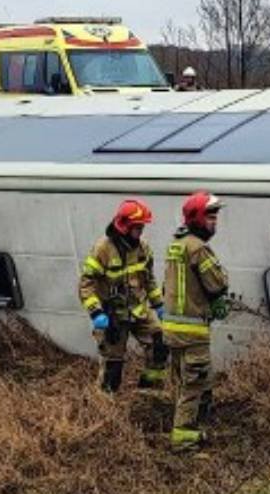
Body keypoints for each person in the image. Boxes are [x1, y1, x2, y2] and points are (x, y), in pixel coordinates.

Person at [163, 190, 230, 451]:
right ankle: (183, 436)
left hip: (172, 329)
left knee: (183, 380)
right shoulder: (198, 248)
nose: (215, 221)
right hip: (192, 330)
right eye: (210, 216)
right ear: (196, 218)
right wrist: (217, 298)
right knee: (196, 381)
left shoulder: (176, 245)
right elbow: (217, 284)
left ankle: (198, 423)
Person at [77, 200, 167, 393]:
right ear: (124, 226)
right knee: (113, 367)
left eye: (142, 226)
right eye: (138, 227)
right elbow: (86, 285)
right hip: (113, 316)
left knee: (160, 346)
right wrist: (96, 313)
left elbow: (149, 279)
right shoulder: (103, 249)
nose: (141, 231)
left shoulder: (143, 248)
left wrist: (159, 304)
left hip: (139, 310)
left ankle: (148, 393)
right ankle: (105, 407)